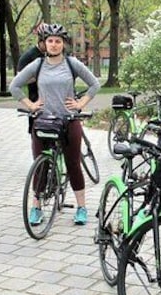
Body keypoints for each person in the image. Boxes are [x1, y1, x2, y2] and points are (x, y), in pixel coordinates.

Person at [9, 23, 100, 225]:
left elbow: (95, 84)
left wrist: (80, 103)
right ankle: (36, 207)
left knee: (73, 164)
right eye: (50, 41)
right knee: (39, 165)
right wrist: (31, 105)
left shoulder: (72, 64)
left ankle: (81, 207)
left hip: (68, 120)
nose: (54, 44)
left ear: (63, 44)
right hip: (43, 121)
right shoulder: (38, 65)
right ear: (44, 43)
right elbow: (14, 86)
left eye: (58, 41)